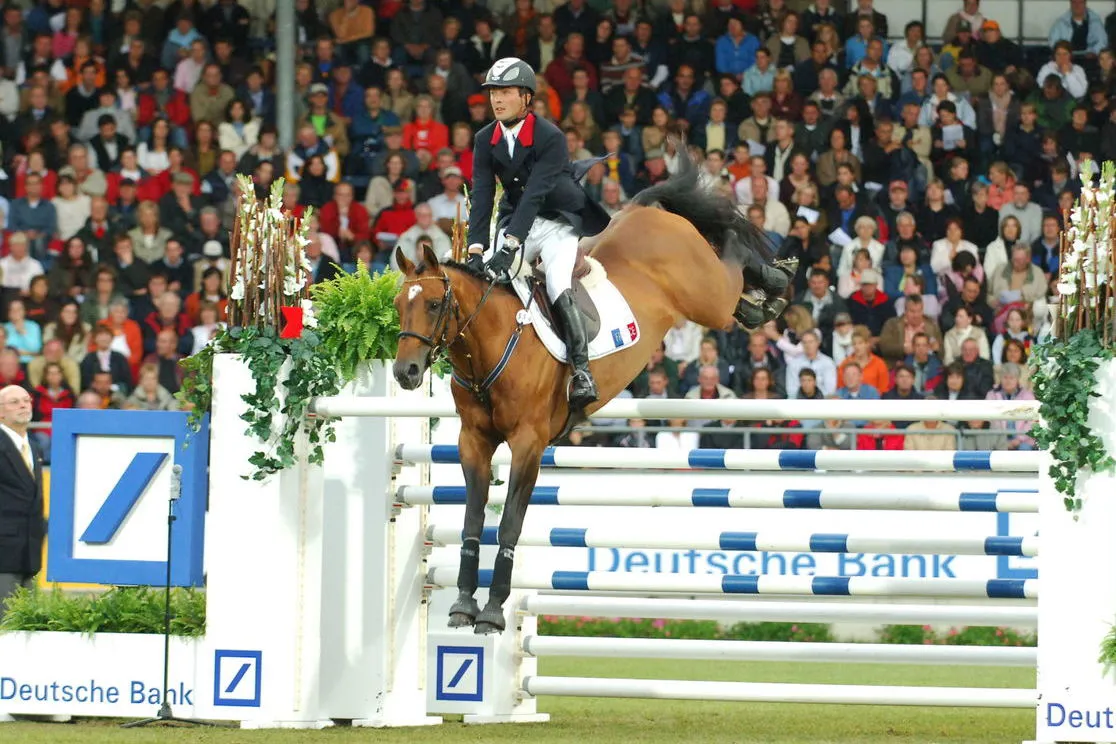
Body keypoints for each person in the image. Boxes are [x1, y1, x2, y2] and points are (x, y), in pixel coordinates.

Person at [465, 57, 615, 409]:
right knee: (488, 279)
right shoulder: (485, 138)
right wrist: (476, 249)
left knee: (556, 282)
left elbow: (535, 193)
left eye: (505, 92)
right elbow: (483, 193)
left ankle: (581, 370)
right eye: (493, 93)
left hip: (557, 220)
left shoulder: (550, 136)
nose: (496, 100)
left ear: (526, 97)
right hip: (516, 219)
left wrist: (512, 245)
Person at [0, 384, 45, 611]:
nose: (23, 405)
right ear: (1, 411)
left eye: (26, 400)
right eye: (15, 402)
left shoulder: (34, 447)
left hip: (30, 554)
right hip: (3, 555)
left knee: (24, 627)